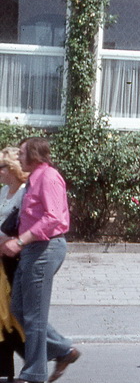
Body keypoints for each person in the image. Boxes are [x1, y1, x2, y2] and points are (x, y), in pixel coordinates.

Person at [0, 138, 78, 383]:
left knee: (34, 314)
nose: (19, 157)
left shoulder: (48, 177)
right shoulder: (33, 179)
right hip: (32, 250)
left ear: (34, 154)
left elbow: (53, 218)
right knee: (19, 310)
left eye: (22, 153)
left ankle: (34, 373)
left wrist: (20, 241)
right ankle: (64, 350)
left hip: (45, 248)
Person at [0, 147, 27, 382]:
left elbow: (21, 229)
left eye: (1, 166)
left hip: (13, 260)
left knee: (10, 315)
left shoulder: (23, 193)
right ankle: (4, 370)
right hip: (0, 258)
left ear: (12, 169)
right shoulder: (2, 192)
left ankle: (36, 359)